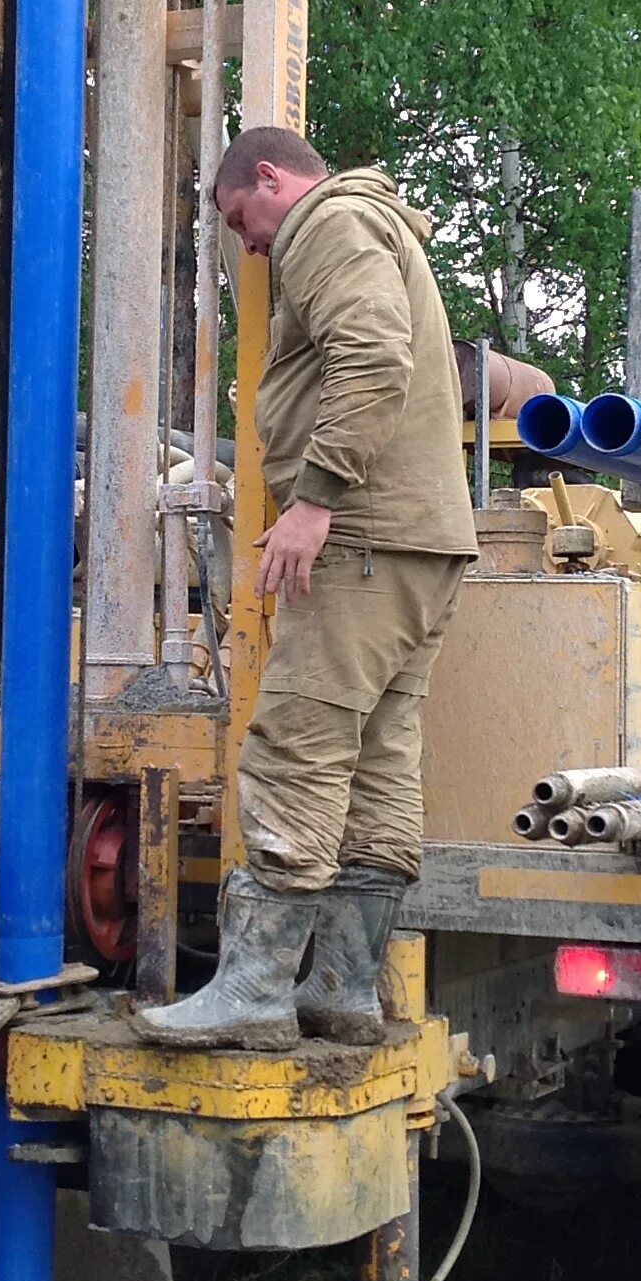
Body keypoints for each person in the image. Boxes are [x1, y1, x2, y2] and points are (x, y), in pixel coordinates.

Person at [135, 127, 478, 1052]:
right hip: (422, 542)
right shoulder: (384, 226)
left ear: (274, 180)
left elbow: (371, 355)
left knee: (297, 742)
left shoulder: (330, 223)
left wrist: (313, 499)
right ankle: (341, 990)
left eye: (244, 220)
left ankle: (251, 992)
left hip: (365, 536)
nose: (250, 246)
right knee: (376, 762)